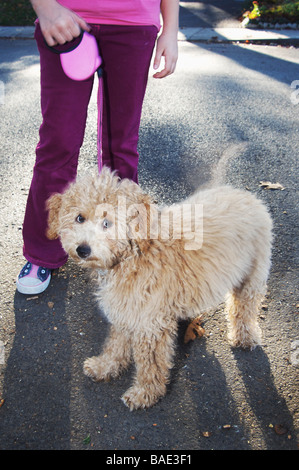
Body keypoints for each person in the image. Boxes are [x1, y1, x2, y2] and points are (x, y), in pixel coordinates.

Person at [16, 0, 179, 295]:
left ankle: (125, 248)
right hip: (65, 20)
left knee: (122, 145)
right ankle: (42, 253)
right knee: (58, 142)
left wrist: (170, 29)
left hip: (134, 23)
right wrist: (46, 9)